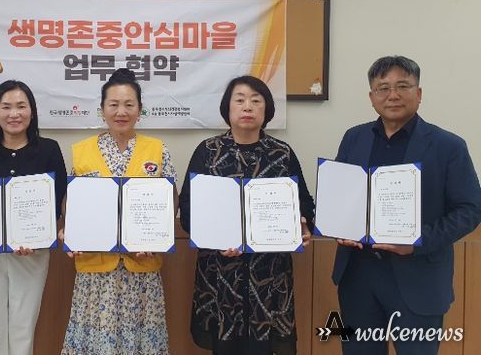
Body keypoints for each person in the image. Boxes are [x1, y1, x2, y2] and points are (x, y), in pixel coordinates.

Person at [332, 55, 481, 355]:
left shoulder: (448, 146)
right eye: (383, 88)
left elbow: (470, 210)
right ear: (372, 97)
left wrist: (417, 241)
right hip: (358, 278)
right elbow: (341, 197)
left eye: (403, 86)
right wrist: (337, 225)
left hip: (419, 278)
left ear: (419, 93)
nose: (393, 95)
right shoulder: (354, 138)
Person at [179, 75, 315, 355]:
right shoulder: (208, 151)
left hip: (269, 273)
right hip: (220, 272)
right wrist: (214, 239)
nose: (247, 106)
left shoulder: (282, 153)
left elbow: (304, 203)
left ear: (267, 110)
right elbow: (188, 206)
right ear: (227, 108)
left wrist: (303, 224)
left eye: (256, 100)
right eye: (239, 100)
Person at [60, 68, 177, 355]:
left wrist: (158, 237)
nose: (121, 112)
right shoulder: (82, 151)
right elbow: (71, 202)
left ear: (140, 110)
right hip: (96, 272)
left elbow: (170, 200)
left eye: (129, 104)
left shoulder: (157, 149)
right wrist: (70, 232)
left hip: (141, 269)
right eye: (113, 104)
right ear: (102, 109)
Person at [0, 80, 67, 355]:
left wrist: (37, 235)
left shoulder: (49, 150)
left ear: (32, 111)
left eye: (21, 106)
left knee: (22, 333)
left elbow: (57, 202)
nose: (14, 114)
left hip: (31, 254)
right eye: (6, 107)